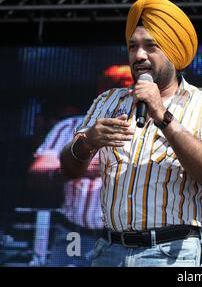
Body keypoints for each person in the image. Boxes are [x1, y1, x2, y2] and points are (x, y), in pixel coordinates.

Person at [60, 0, 202, 267]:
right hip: (108, 251)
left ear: (174, 51)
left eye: (150, 46)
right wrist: (87, 142)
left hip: (170, 252)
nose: (138, 55)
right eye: (132, 47)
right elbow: (68, 169)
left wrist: (163, 116)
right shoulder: (107, 101)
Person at [28, 65, 133, 267]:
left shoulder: (151, 135)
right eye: (112, 87)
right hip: (74, 233)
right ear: (100, 91)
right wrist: (77, 167)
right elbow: (36, 173)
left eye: (127, 88)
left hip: (124, 241)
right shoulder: (70, 127)